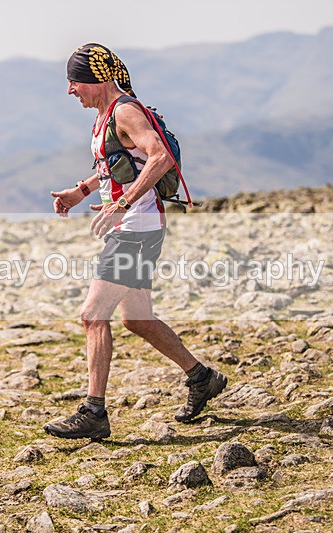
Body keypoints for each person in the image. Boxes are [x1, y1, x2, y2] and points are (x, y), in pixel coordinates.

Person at [43, 43, 227, 440]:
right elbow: (115, 164)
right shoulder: (107, 116)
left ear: (97, 79)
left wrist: (123, 205)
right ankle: (202, 377)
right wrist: (82, 191)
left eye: (74, 82)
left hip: (136, 229)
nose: (70, 90)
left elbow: (159, 156)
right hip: (138, 228)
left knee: (94, 315)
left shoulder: (125, 110)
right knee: (136, 318)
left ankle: (94, 411)